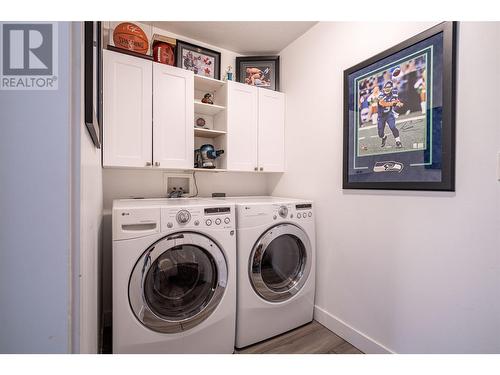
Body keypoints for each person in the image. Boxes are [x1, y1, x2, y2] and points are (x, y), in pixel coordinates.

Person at [378, 81, 404, 148]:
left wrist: (399, 103)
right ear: (383, 88)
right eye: (386, 87)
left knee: (392, 127)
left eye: (388, 87)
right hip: (381, 116)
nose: (387, 89)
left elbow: (396, 100)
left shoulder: (394, 93)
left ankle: (398, 141)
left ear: (391, 88)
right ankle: (384, 137)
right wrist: (395, 104)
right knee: (380, 134)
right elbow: (383, 104)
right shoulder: (381, 95)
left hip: (389, 114)